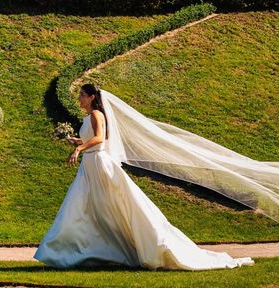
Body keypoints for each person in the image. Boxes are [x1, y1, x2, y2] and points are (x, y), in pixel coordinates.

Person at [34, 83, 259, 270]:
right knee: (84, 206)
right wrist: (78, 141)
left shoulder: (96, 114)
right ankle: (81, 250)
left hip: (99, 164)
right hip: (90, 166)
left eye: (82, 95)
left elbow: (100, 138)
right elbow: (92, 138)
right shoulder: (89, 117)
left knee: (106, 205)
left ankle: (82, 250)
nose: (80, 98)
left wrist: (79, 149)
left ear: (92, 97)